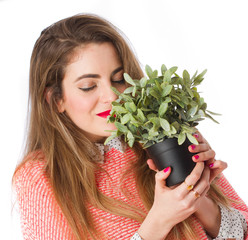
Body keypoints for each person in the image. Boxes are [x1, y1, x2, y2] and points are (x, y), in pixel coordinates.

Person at [13, 13, 248, 240]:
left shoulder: (168, 132)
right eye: (88, 86)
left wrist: (197, 198)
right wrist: (158, 222)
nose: (112, 96)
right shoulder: (41, 177)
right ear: (56, 100)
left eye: (118, 79)